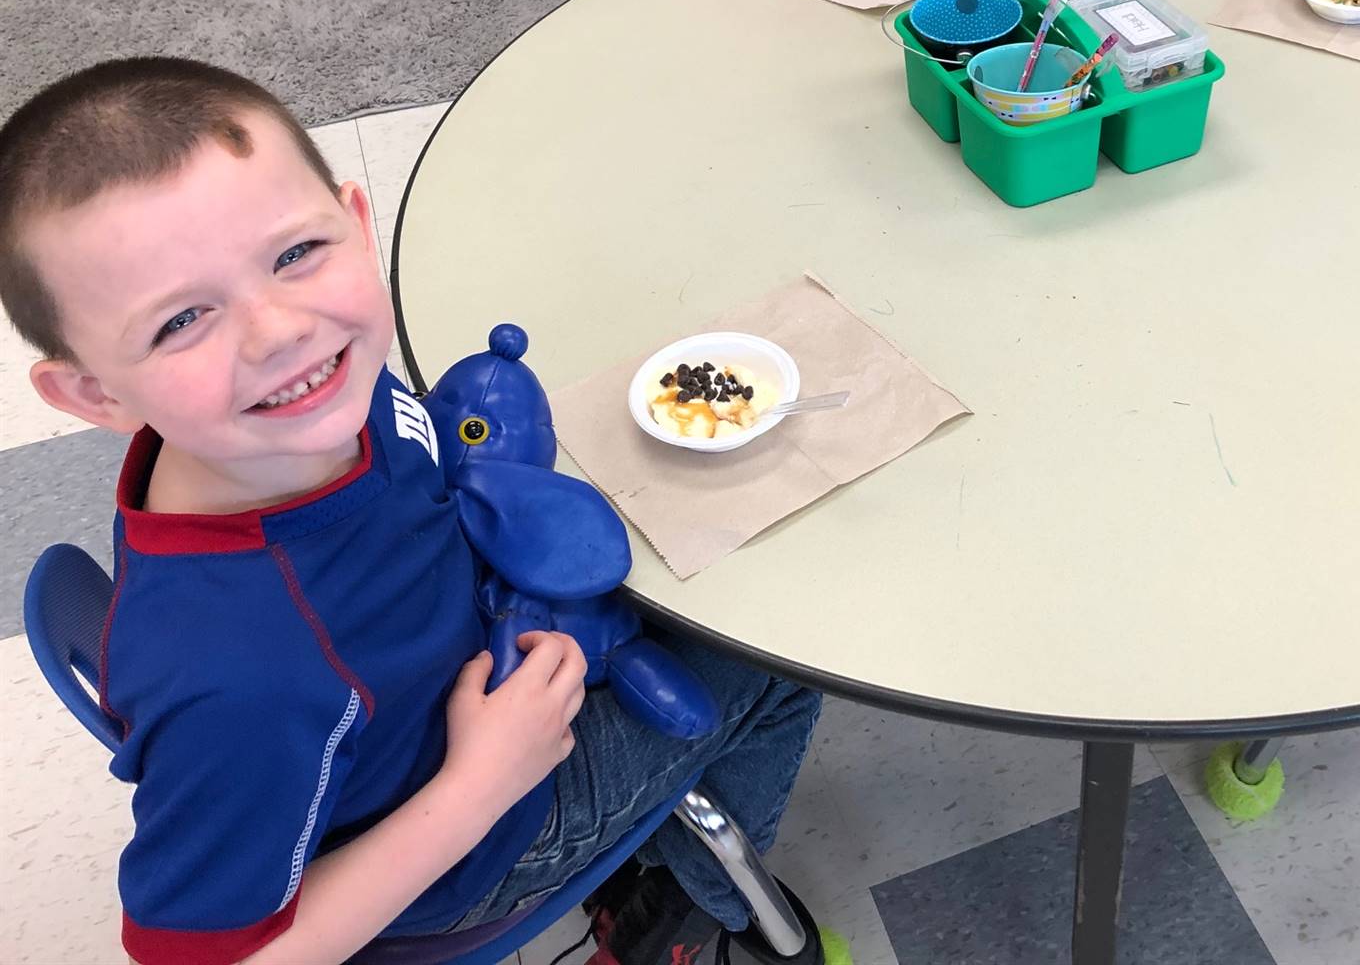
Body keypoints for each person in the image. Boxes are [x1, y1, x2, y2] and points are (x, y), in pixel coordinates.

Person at [0, 57, 822, 964]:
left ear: (355, 225)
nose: (281, 331)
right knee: (788, 647)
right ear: (89, 393)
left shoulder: (314, 401)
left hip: (475, 658)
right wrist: (476, 787)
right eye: (180, 321)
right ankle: (690, 905)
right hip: (478, 836)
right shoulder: (242, 677)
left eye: (295, 254)